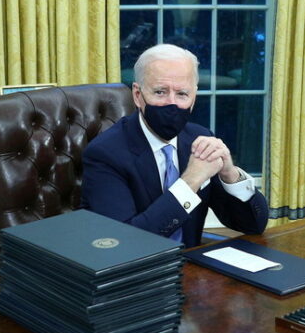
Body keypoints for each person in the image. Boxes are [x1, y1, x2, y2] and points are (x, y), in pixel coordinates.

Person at [81, 44, 267, 247]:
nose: (172, 103)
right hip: (137, 273)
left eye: (182, 94)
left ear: (194, 96)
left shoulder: (199, 139)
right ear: (137, 95)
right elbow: (125, 244)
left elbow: (253, 225)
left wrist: (230, 175)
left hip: (191, 268)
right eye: (160, 92)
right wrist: (190, 181)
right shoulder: (105, 154)